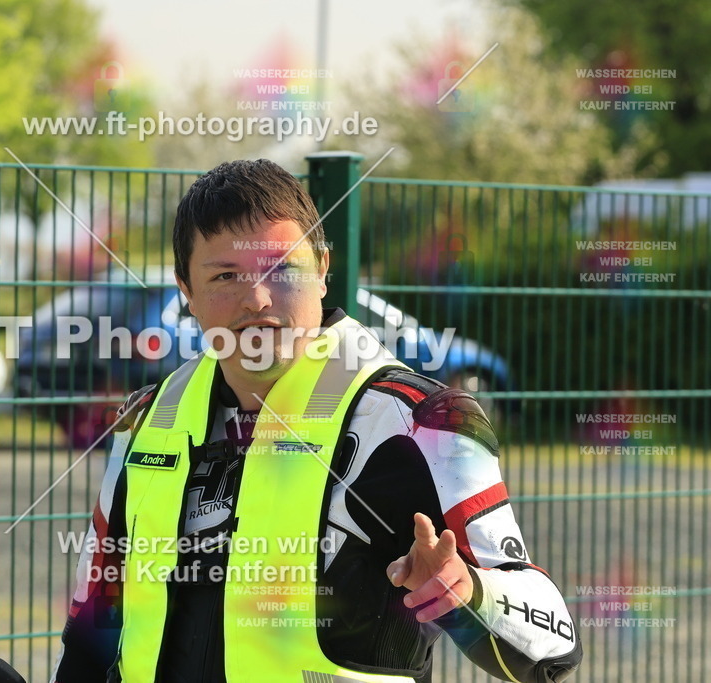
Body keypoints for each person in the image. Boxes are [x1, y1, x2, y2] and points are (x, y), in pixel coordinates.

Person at [50, 159, 582, 682]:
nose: (257, 299)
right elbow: (90, 635)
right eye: (226, 276)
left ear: (323, 269)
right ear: (185, 288)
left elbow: (554, 650)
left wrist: (466, 595)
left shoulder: (422, 422)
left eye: (281, 269)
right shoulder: (146, 420)